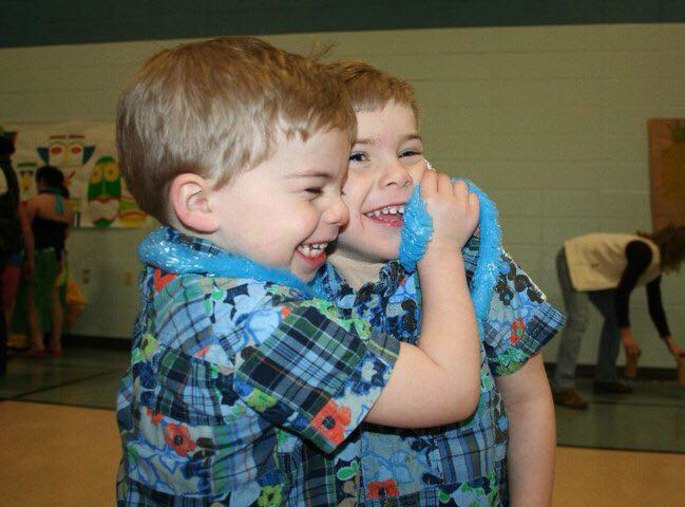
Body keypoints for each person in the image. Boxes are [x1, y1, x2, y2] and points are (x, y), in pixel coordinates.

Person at [114, 36, 483, 505]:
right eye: (313, 190)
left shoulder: (176, 269)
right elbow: (449, 392)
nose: (338, 212)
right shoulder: (256, 321)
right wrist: (442, 249)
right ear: (200, 203)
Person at [314, 60, 564, 506]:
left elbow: (529, 402)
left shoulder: (477, 264)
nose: (397, 175)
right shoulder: (291, 288)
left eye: (408, 152)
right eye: (358, 156)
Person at [551, 225, 685, 409]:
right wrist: (626, 335)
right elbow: (623, 293)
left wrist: (671, 344)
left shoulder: (654, 264)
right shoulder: (644, 252)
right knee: (579, 319)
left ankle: (605, 378)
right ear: (678, 250)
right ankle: (562, 386)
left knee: (614, 318)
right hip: (574, 259)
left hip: (595, 270)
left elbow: (655, 305)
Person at [13, 165, 70, 358]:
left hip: (39, 254)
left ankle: (37, 343)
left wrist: (29, 258)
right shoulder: (67, 205)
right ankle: (56, 342)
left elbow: (27, 232)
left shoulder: (36, 202)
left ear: (42, 181)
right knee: (54, 298)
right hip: (59, 256)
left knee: (32, 299)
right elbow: (65, 234)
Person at [0, 135, 34, 375]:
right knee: (7, 305)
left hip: (8, 248)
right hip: (12, 250)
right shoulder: (10, 177)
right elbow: (25, 228)